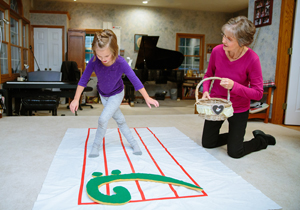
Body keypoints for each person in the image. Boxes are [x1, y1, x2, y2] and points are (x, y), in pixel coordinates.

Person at [70, 29, 159, 158]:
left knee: (102, 119)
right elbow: (83, 80)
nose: (103, 59)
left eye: (106, 56)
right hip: (103, 94)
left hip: (117, 94)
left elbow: (134, 79)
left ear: (114, 51)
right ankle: (134, 143)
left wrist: (146, 97)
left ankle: (95, 146)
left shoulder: (120, 62)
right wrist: (75, 99)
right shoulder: (94, 61)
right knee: (120, 120)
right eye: (99, 56)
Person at [201, 16, 275, 158]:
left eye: (229, 39)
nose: (223, 41)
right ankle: (235, 136)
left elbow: (258, 93)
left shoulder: (252, 59)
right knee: (208, 143)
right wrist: (205, 91)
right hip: (217, 104)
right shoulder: (217, 51)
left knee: (235, 152)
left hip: (239, 107)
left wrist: (234, 86)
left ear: (242, 42)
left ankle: (261, 139)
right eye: (224, 36)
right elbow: (208, 75)